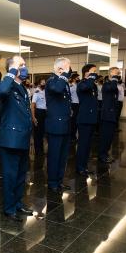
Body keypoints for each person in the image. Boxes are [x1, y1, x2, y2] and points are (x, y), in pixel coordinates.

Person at [0, 56, 34, 222]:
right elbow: (2, 91)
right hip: (11, 139)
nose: (24, 68)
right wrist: (11, 71)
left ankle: (18, 203)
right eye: (21, 65)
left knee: (20, 175)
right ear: (12, 68)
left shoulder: (22, 87)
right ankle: (9, 208)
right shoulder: (6, 85)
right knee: (10, 176)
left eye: (24, 65)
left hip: (23, 137)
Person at [45, 57, 73, 193]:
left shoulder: (63, 81)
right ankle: (52, 182)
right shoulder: (52, 81)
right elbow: (57, 89)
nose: (69, 70)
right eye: (68, 67)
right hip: (55, 125)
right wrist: (64, 75)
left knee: (63, 156)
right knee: (55, 155)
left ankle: (59, 180)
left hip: (65, 124)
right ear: (59, 68)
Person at [76, 64, 100, 176]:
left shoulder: (93, 85)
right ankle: (80, 167)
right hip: (84, 119)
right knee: (83, 144)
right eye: (93, 71)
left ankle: (84, 166)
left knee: (88, 145)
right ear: (86, 72)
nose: (96, 73)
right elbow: (85, 88)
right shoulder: (82, 83)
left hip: (91, 118)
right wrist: (90, 78)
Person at [98, 67, 121, 164]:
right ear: (111, 73)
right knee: (105, 136)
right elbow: (112, 87)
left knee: (110, 136)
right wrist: (114, 78)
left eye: (119, 73)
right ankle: (102, 155)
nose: (118, 74)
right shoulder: (107, 84)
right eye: (116, 73)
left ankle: (105, 153)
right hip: (107, 114)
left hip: (112, 114)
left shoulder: (113, 84)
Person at [31, 78, 47, 155]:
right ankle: (37, 150)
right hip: (38, 112)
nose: (44, 84)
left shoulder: (44, 91)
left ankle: (41, 149)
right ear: (39, 84)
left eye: (44, 82)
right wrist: (33, 117)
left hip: (44, 113)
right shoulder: (36, 92)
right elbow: (33, 105)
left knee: (42, 133)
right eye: (42, 82)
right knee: (37, 133)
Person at [69, 72, 80, 142]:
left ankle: (75, 135)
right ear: (73, 79)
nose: (79, 79)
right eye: (77, 78)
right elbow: (69, 97)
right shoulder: (71, 86)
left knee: (77, 121)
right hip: (73, 104)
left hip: (78, 104)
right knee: (73, 121)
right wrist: (70, 107)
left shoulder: (78, 85)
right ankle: (72, 136)